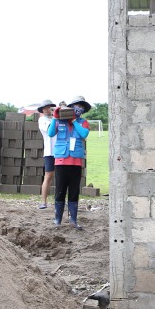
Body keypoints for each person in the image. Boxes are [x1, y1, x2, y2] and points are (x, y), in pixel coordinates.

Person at [48, 96, 90, 229]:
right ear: (71, 107)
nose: (79, 109)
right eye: (77, 106)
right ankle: (57, 219)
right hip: (61, 160)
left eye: (82, 107)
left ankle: (73, 220)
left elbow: (84, 134)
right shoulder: (60, 120)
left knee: (74, 191)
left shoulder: (83, 122)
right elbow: (50, 133)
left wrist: (74, 121)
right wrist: (55, 117)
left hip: (76, 161)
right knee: (60, 190)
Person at [36, 100, 57, 209]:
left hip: (60, 150)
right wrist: (56, 117)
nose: (49, 109)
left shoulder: (56, 118)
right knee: (48, 175)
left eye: (50, 107)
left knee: (61, 177)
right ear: (43, 109)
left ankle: (59, 200)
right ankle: (44, 202)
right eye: (47, 108)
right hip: (50, 151)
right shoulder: (42, 120)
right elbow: (50, 130)